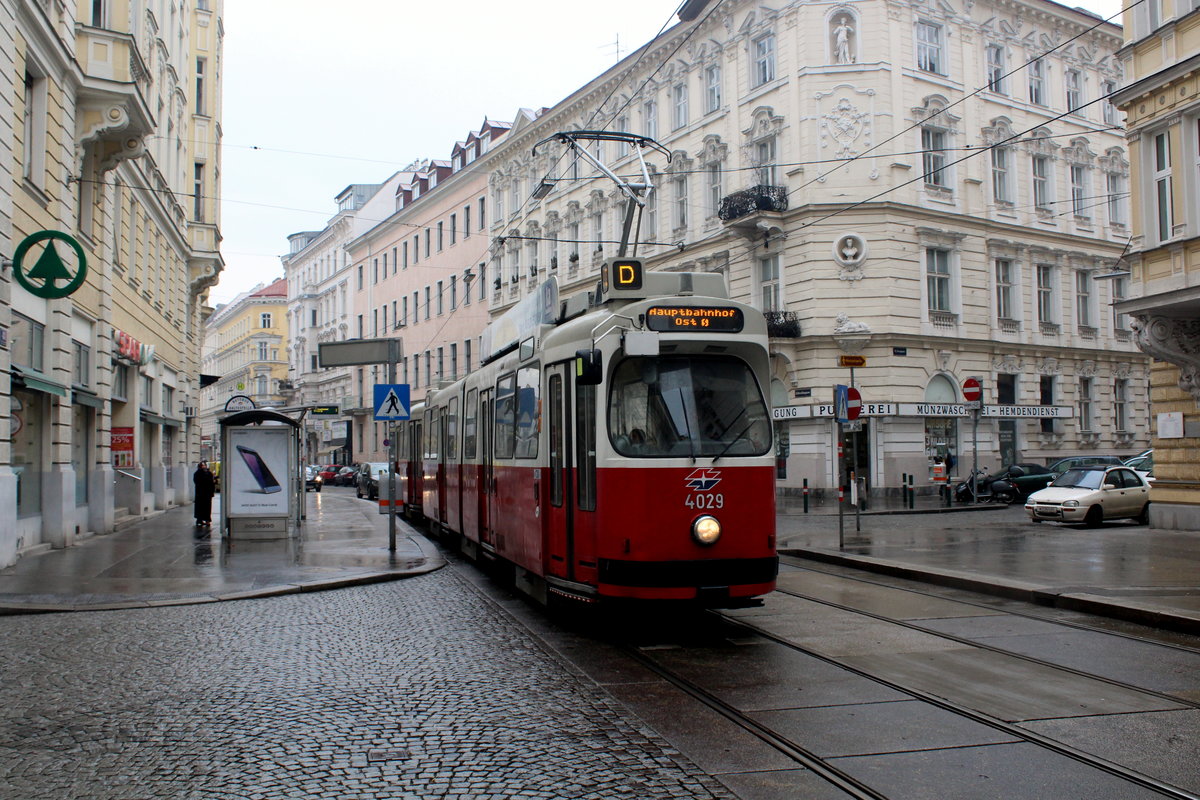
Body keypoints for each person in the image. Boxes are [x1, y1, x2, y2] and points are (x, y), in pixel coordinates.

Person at [193, 461, 215, 526]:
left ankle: (206, 519)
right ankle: (200, 520)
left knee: (206, 507)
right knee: (201, 507)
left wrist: (212, 492)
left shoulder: (208, 473)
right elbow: (197, 482)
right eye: (202, 466)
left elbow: (212, 483)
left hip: (206, 493)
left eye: (204, 465)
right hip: (201, 493)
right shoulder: (198, 473)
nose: (204, 467)